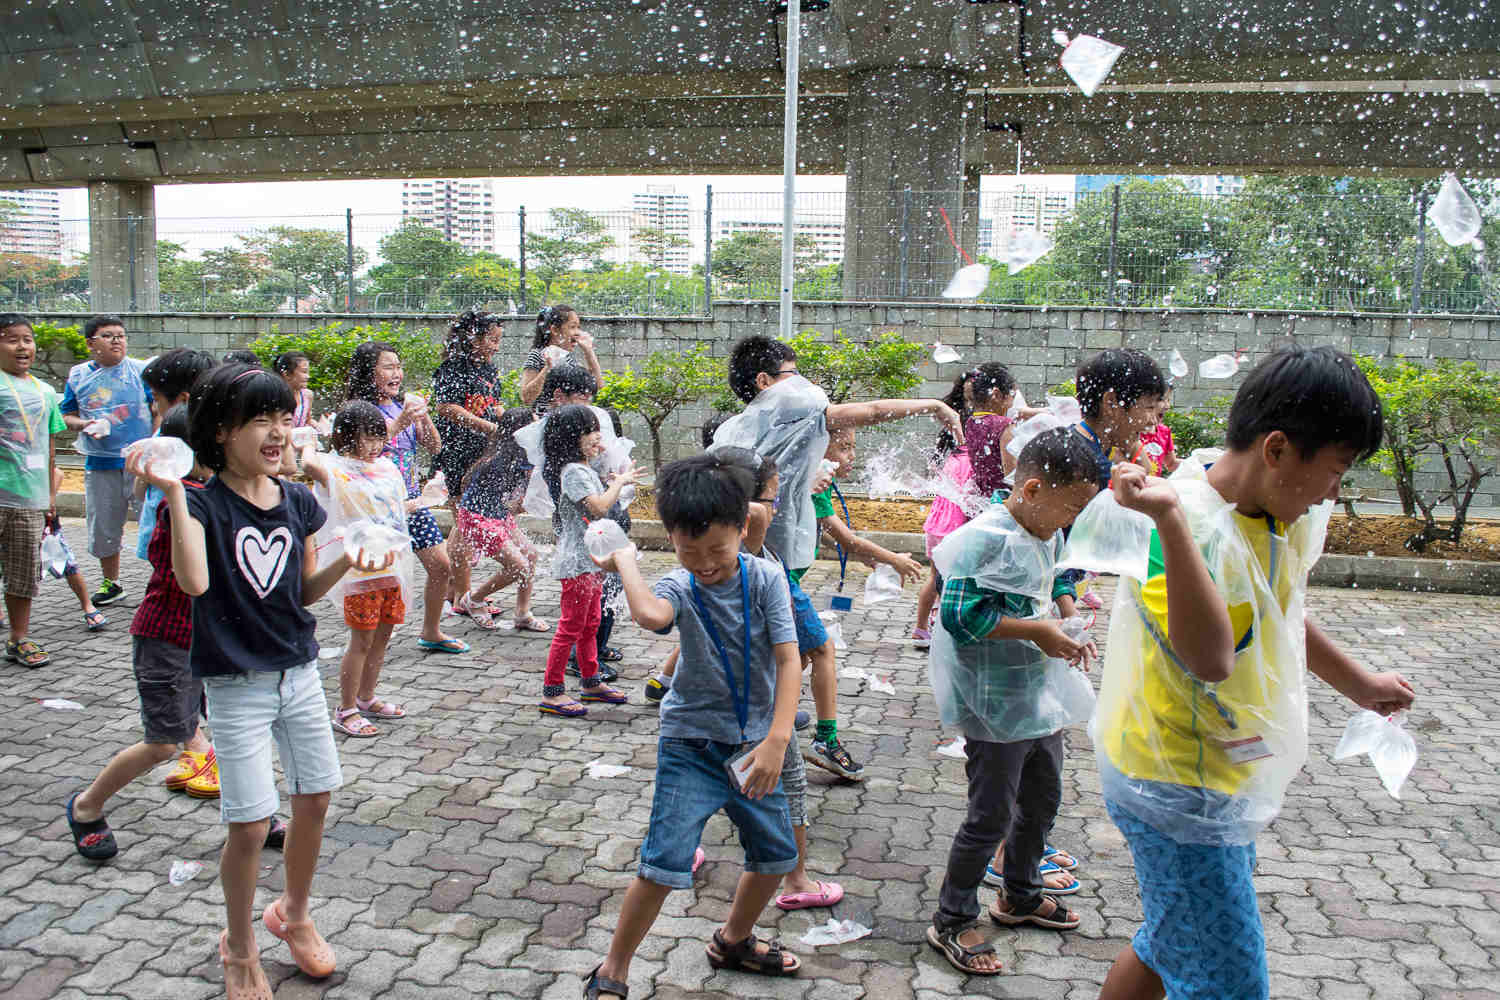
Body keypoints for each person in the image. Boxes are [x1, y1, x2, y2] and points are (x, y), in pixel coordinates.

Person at [1095, 347, 1415, 1000]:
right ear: (1277, 451)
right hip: (1173, 787)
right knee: (1229, 985)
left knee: (1169, 940)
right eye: (1334, 472)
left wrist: (1359, 683)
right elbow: (1211, 657)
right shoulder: (1180, 527)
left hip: (1223, 775)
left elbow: (1280, 611)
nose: (1334, 493)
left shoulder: (1272, 512)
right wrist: (1171, 523)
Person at [130, 363, 393, 998]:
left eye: (283, 417)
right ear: (221, 431)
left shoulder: (297, 501)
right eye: (259, 420)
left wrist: (342, 566)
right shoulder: (198, 503)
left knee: (316, 800)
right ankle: (239, 946)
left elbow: (299, 593)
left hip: (299, 673)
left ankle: (292, 915)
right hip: (235, 685)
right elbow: (194, 584)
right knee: (249, 825)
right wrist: (170, 491)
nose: (278, 432)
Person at [582, 454, 804, 1000]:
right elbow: (652, 617)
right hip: (690, 746)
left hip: (755, 747)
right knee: (663, 864)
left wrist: (777, 739)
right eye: (689, 551)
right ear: (672, 542)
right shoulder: (679, 585)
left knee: (777, 856)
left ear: (742, 528)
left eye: (717, 550)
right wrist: (627, 561)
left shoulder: (767, 578)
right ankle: (612, 970)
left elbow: (789, 659)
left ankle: (733, 939)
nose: (704, 563)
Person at [713, 335, 964, 779]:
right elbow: (867, 413)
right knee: (819, 649)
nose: (803, 381)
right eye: (793, 372)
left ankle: (759, 722)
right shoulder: (789, 407)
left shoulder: (737, 429)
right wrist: (933, 405)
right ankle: (818, 741)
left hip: (749, 559)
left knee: (777, 652)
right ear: (765, 380)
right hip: (770, 566)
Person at [67, 404, 293, 859]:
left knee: (236, 732)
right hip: (170, 641)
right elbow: (194, 580)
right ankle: (87, 807)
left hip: (218, 641)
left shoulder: (229, 492)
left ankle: (257, 813)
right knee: (163, 744)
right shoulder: (183, 502)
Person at [924, 428, 1100, 976]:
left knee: (1043, 798)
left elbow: (1054, 582)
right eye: (1069, 506)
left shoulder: (1044, 529)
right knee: (990, 815)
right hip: (991, 700)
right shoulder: (987, 537)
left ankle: (1019, 895)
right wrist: (1038, 632)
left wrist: (1066, 623)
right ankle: (952, 917)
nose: (1070, 519)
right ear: (1031, 489)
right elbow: (958, 616)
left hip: (1034, 693)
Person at [300, 400, 415, 739]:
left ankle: (367, 697)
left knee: (382, 637)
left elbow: (391, 512)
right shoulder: (334, 469)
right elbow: (307, 463)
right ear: (346, 437)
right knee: (361, 641)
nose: (376, 446)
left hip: (390, 566)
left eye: (380, 437)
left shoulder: (384, 468)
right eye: (368, 438)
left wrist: (419, 503)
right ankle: (346, 708)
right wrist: (307, 439)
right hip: (359, 572)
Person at [347, 340, 468, 654]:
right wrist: (402, 420)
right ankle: (365, 640)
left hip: (413, 500)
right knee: (380, 574)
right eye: (388, 366)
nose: (396, 373)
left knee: (441, 566)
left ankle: (431, 630)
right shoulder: (360, 410)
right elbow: (364, 448)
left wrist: (422, 415)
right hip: (377, 504)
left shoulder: (400, 405)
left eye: (398, 366)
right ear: (368, 372)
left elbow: (434, 446)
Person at [539, 403, 637, 716]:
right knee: (570, 627)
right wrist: (618, 483)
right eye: (589, 432)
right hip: (578, 564)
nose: (597, 436)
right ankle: (552, 692)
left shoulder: (582, 470)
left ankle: (591, 682)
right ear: (571, 439)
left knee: (590, 624)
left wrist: (612, 479)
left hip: (591, 562)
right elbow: (598, 508)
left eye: (596, 430)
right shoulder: (574, 472)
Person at [58, 314, 154, 608]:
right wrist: (83, 425)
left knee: (153, 523)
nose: (117, 340)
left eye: (121, 335)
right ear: (91, 343)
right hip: (100, 462)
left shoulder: (142, 371)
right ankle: (111, 583)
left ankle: (161, 583)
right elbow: (67, 413)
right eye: (108, 335)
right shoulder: (78, 376)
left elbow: (158, 407)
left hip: (141, 462)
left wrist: (155, 443)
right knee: (104, 526)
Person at [0, 314, 64, 668]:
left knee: (23, 572)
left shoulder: (45, 391)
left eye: (27, 339)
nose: (22, 346)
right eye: (11, 339)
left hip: (28, 499)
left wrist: (50, 497)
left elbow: (49, 443)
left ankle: (19, 639)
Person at [449, 406, 547, 632]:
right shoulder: (500, 462)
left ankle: (522, 613)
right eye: (533, 424)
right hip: (478, 518)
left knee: (530, 556)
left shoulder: (518, 456)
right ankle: (473, 599)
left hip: (498, 516)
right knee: (518, 565)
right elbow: (515, 502)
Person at [136, 348, 216, 563]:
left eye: (156, 398)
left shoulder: (171, 438)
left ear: (183, 400)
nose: (154, 407)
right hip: (174, 535)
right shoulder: (217, 436)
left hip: (174, 536)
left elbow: (140, 491)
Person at [430, 310, 504, 496]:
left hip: (481, 447)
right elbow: (446, 407)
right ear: (474, 339)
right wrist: (488, 427)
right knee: (463, 508)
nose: (497, 348)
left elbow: (494, 405)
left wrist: (510, 422)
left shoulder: (489, 369)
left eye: (498, 341)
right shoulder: (454, 367)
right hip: (456, 448)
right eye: (493, 341)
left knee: (476, 510)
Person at [41, 487, 108, 632]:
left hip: (39, 514)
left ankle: (88, 605)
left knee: (68, 564)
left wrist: (50, 500)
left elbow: (57, 472)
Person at [520, 304, 603, 411]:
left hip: (569, 418)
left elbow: (598, 385)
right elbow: (526, 398)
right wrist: (547, 368)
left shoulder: (568, 357)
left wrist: (589, 351)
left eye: (578, 327)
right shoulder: (538, 355)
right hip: (546, 420)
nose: (577, 333)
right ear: (554, 330)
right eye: (572, 327)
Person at [1135, 383, 1180, 475]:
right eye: (1163, 400)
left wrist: (1196, 463)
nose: (1167, 406)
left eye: (1168, 400)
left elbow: (1171, 463)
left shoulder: (1164, 431)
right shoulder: (1131, 433)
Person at [274, 350, 313, 427]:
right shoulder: (276, 396)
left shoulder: (307, 395)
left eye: (308, 372)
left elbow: (308, 421)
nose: (308, 377)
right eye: (304, 372)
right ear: (287, 374)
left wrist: (320, 428)